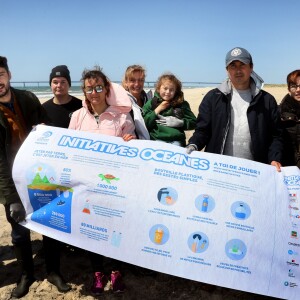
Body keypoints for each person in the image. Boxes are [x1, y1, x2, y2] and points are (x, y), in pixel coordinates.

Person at [69, 66, 135, 295]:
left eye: (98, 87)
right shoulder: (77, 117)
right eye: (89, 89)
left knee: (115, 227)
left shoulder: (120, 117)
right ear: (84, 91)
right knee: (91, 229)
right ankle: (98, 273)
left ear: (107, 89)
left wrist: (130, 139)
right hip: (87, 185)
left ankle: (116, 271)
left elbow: (133, 145)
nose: (94, 92)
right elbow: (69, 148)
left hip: (113, 184)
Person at [186, 47, 282, 171]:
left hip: (255, 170)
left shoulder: (267, 100)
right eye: (233, 66)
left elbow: (276, 135)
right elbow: (202, 130)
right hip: (219, 169)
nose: (238, 70)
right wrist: (194, 144)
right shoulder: (213, 97)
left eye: (242, 65)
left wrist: (274, 158)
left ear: (251, 67)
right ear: (227, 70)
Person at [0, 56, 49, 298]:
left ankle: (55, 271)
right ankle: (26, 276)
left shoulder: (28, 98)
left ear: (9, 75)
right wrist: (11, 198)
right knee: (19, 231)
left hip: (38, 174)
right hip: (11, 179)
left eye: (0, 74)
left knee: (50, 224)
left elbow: (47, 131)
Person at [41, 65, 83, 292]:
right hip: (52, 173)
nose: (59, 86)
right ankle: (53, 271)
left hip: (76, 171)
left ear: (68, 83)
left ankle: (77, 248)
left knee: (76, 213)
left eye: (63, 82)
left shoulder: (79, 106)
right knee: (51, 218)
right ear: (51, 84)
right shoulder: (43, 108)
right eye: (55, 82)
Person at [143, 73, 197, 146]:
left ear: (176, 91)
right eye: (165, 88)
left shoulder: (181, 104)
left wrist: (181, 123)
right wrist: (157, 110)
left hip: (176, 141)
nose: (168, 92)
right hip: (157, 140)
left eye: (171, 90)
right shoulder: (151, 103)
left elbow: (194, 123)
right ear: (158, 88)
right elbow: (144, 124)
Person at [122, 64, 151, 140]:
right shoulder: (121, 103)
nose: (137, 84)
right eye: (132, 80)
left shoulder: (150, 99)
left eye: (140, 80)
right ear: (126, 82)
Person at [280, 69, 300, 168]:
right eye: (293, 86)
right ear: (288, 89)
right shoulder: (280, 113)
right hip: (289, 169)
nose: (298, 90)